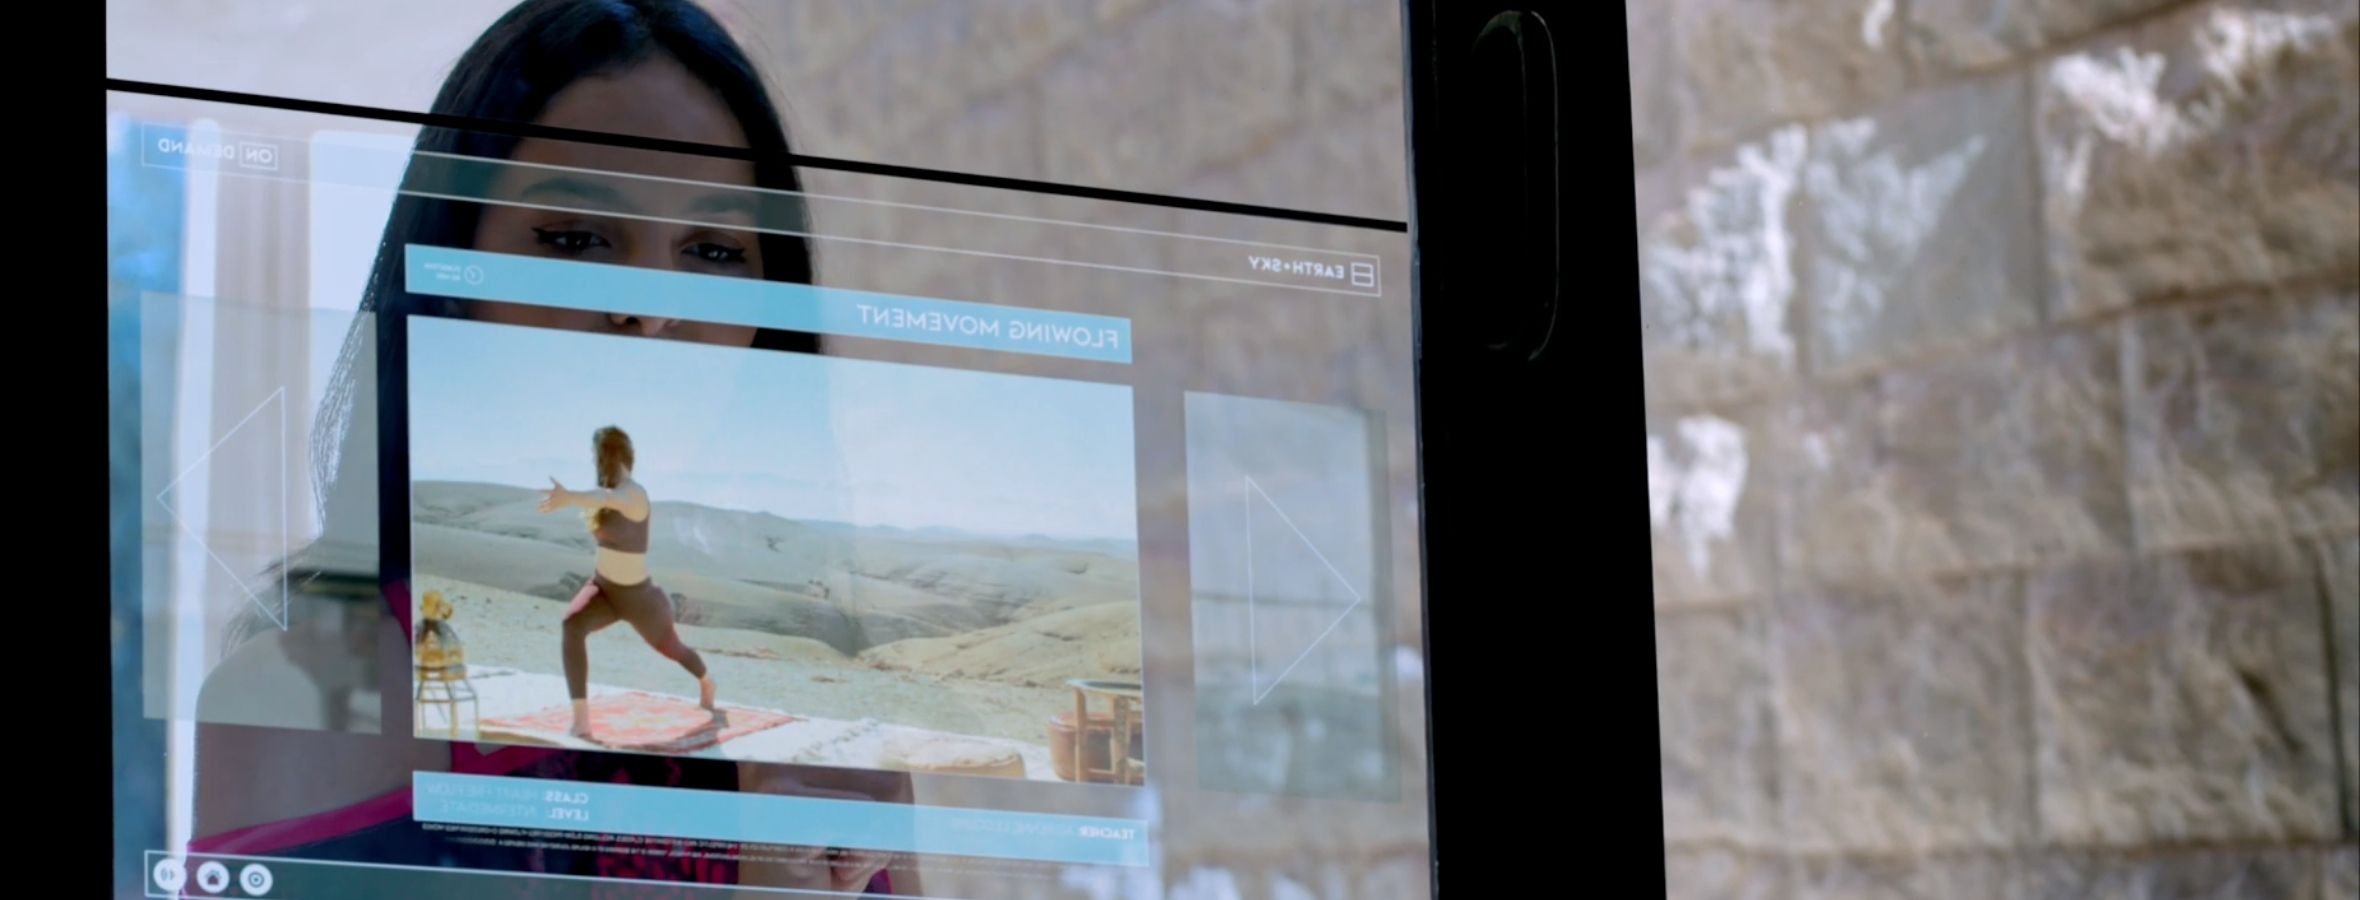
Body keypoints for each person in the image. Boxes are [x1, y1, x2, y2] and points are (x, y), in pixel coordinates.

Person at [189, 0, 910, 893]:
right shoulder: (299, 699)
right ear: (452, 275)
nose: (652, 307)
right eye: (575, 240)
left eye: (718, 251)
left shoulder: (826, 698)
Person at [537, 426, 716, 736]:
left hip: (640, 598)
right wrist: (575, 499)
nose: (593, 462)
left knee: (672, 648)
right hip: (603, 588)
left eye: (596, 456)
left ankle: (705, 680)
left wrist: (569, 498)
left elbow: (607, 496)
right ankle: (581, 722)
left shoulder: (634, 494)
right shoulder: (609, 496)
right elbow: (603, 497)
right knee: (572, 625)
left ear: (609, 456)